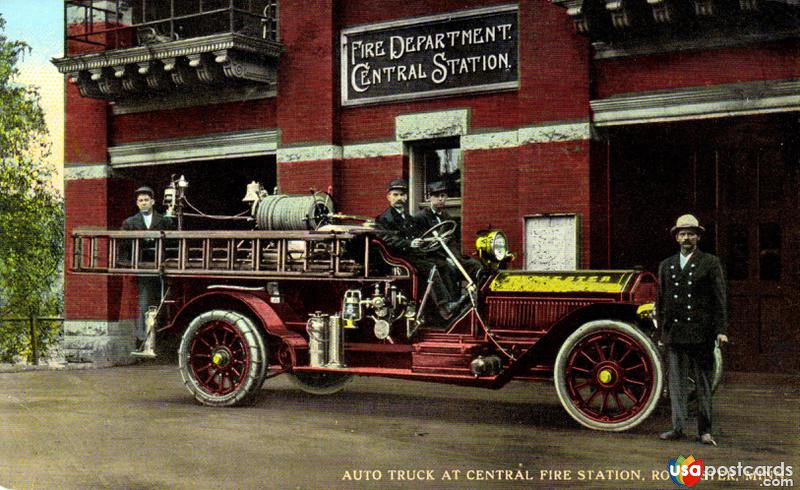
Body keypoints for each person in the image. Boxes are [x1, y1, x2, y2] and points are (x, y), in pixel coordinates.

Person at [657, 214, 729, 446]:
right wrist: (662, 333)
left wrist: (721, 329)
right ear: (676, 237)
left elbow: (719, 300)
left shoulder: (710, 262)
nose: (686, 237)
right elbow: (661, 302)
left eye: (691, 233)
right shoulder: (666, 265)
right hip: (676, 333)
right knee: (676, 383)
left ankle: (704, 431)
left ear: (698, 237)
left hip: (702, 333)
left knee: (703, 384)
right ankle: (677, 427)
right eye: (682, 233)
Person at [375, 179, 461, 318]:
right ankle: (444, 307)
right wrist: (409, 244)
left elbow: (418, 235)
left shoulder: (408, 217)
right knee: (431, 267)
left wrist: (427, 240)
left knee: (445, 265)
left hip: (415, 254)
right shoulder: (384, 219)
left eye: (402, 195)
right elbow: (388, 239)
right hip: (399, 257)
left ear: (406, 197)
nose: (399, 198)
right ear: (388, 197)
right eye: (395, 195)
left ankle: (453, 302)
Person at [122, 186, 175, 350]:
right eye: (140, 201)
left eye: (146, 200)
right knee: (145, 301)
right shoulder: (129, 223)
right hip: (143, 267)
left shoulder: (165, 221)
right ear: (137, 204)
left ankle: (162, 338)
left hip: (161, 267)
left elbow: (173, 243)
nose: (143, 203)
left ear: (153, 201)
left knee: (163, 301)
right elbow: (124, 246)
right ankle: (143, 339)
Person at [414, 181, 482, 285]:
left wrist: (455, 257)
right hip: (433, 256)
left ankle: (476, 296)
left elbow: (454, 240)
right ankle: (451, 300)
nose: (440, 199)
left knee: (475, 265)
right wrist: (446, 258)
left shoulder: (447, 217)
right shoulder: (421, 217)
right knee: (447, 268)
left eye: (443, 196)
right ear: (429, 198)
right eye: (436, 196)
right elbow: (422, 244)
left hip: (451, 254)